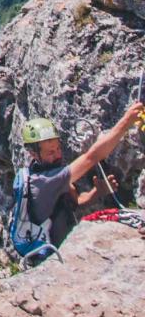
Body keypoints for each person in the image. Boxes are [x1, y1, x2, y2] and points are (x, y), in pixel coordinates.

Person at [21, 101, 145, 248]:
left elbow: (77, 202)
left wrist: (97, 192)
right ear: (34, 154)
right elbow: (91, 157)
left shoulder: (47, 173)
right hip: (51, 254)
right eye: (50, 152)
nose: (57, 155)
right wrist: (126, 122)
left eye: (58, 148)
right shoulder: (43, 181)